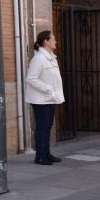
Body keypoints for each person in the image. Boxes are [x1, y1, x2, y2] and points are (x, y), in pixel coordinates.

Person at [26, 31, 65, 165]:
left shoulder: (51, 57)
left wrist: (52, 93)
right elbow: (31, 79)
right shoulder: (39, 59)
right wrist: (47, 89)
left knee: (47, 126)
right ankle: (40, 156)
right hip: (40, 99)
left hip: (50, 98)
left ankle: (46, 154)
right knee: (42, 127)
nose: (55, 42)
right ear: (46, 42)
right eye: (53, 39)